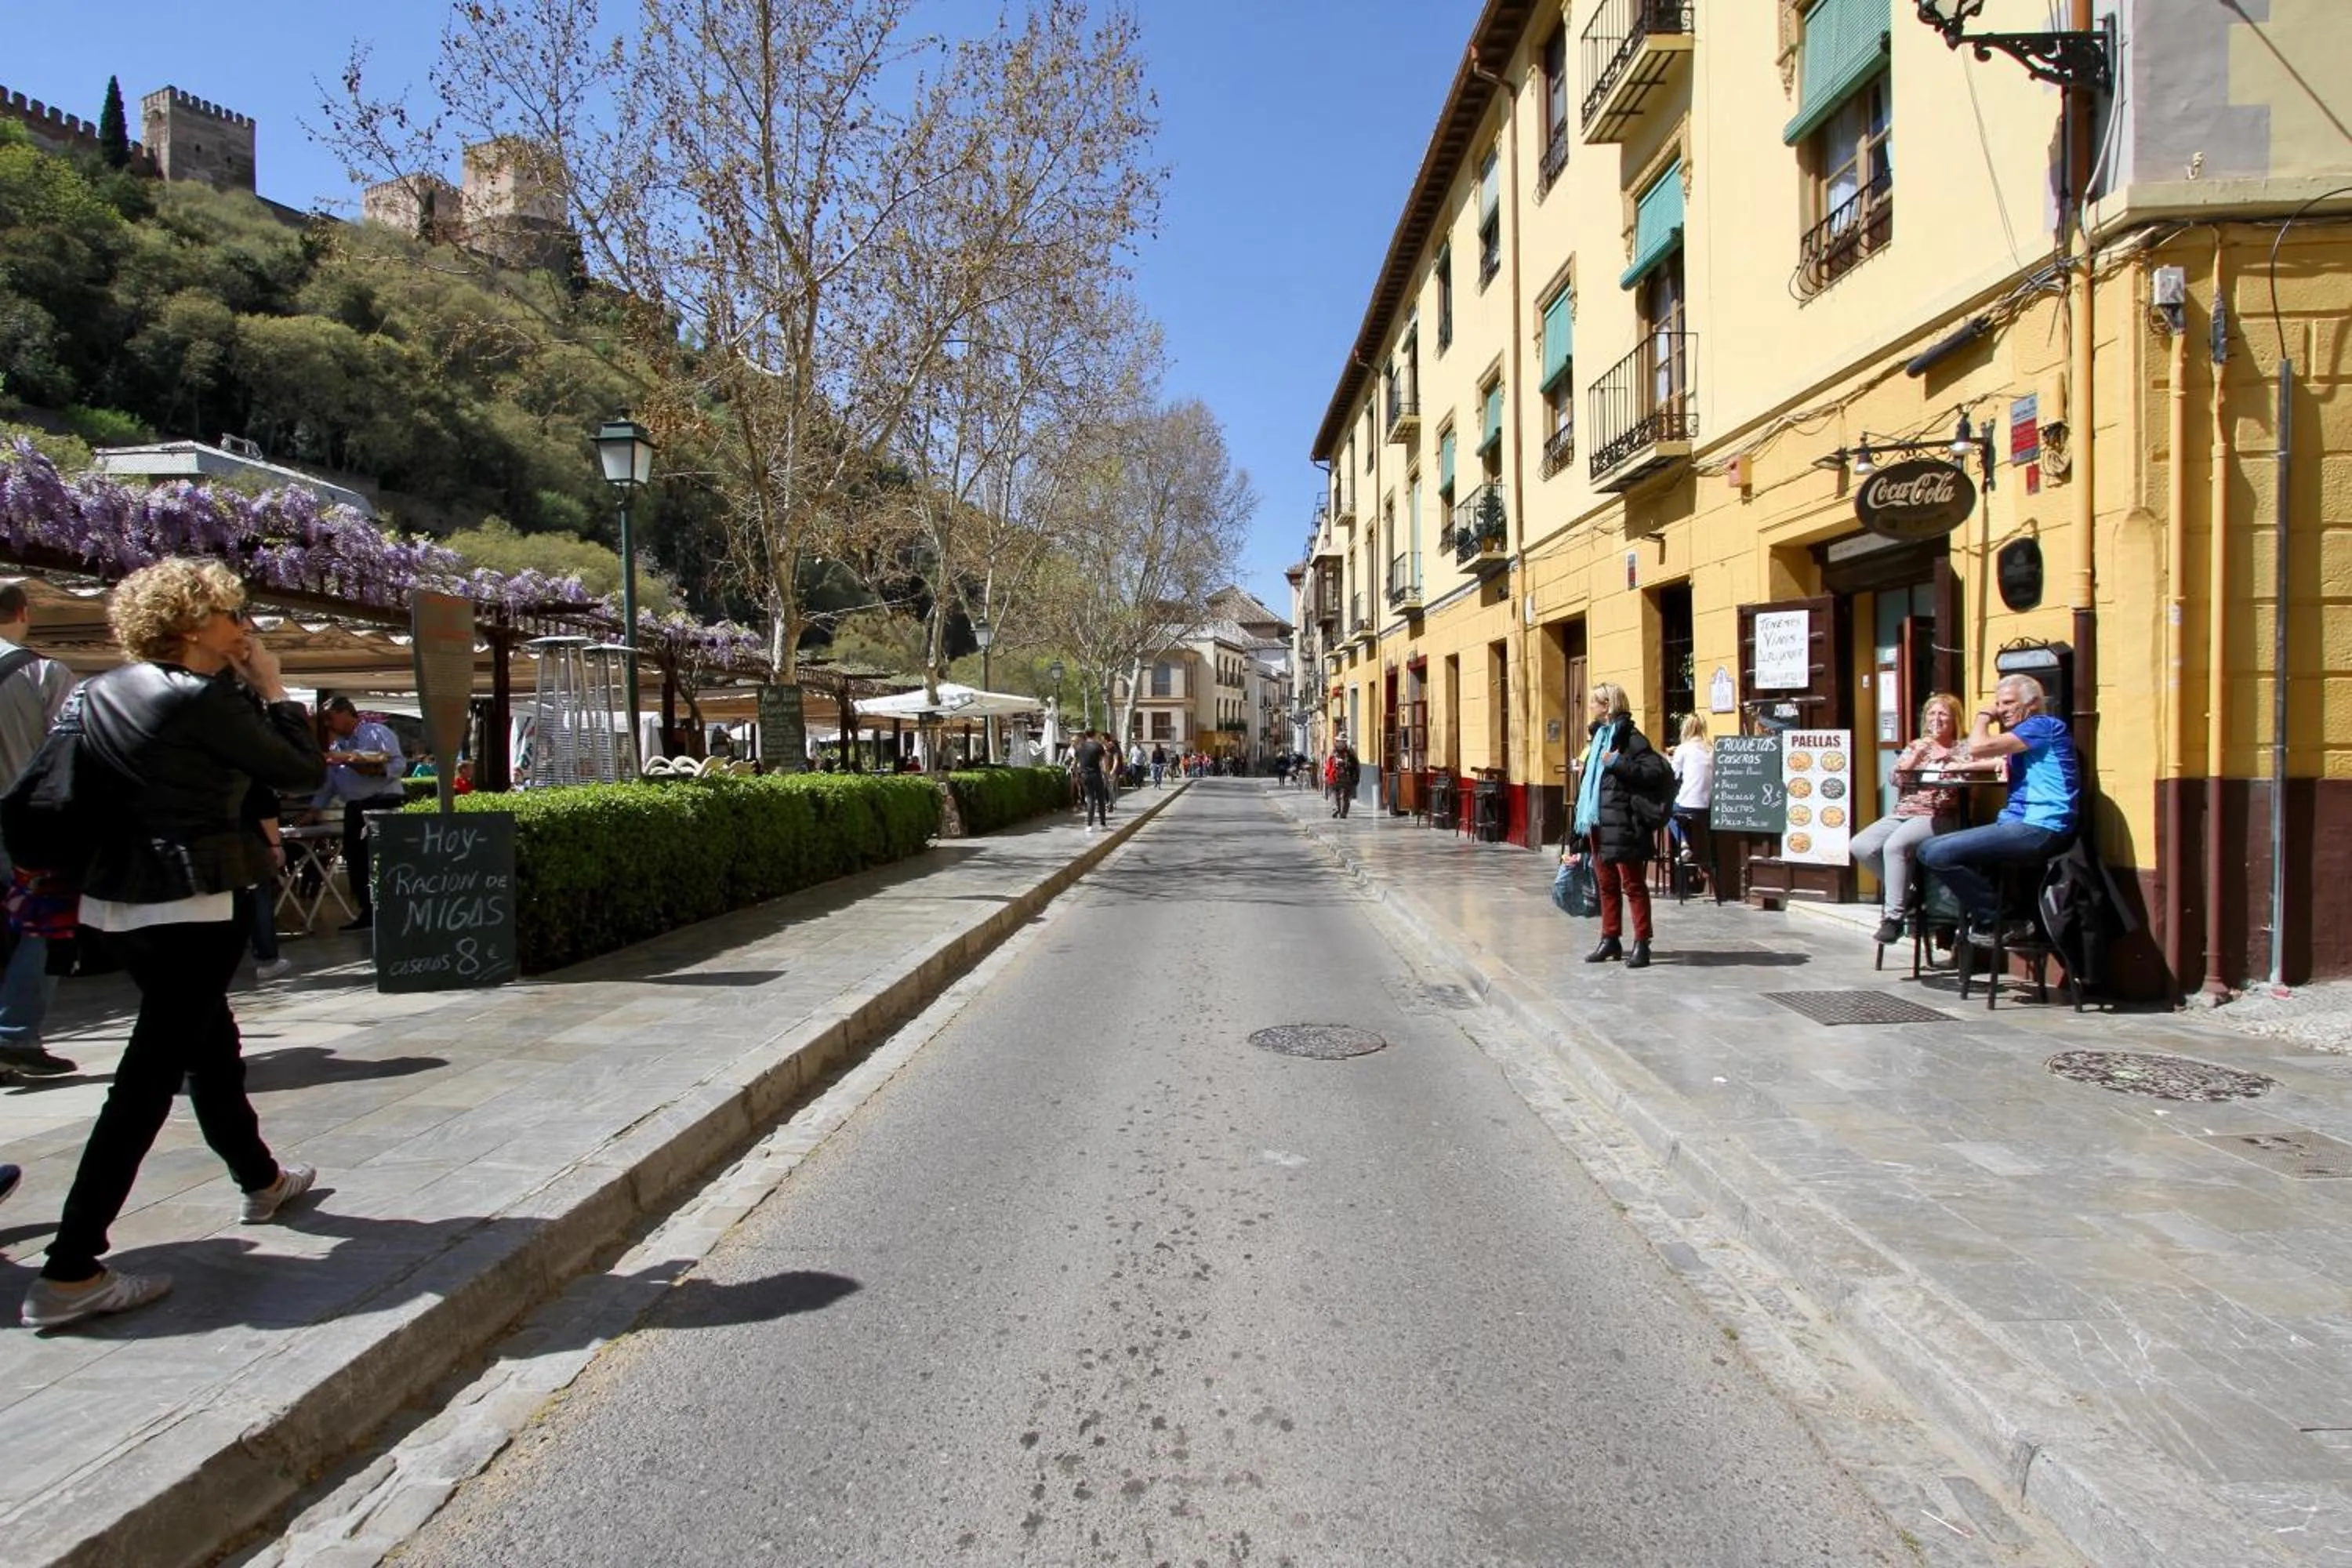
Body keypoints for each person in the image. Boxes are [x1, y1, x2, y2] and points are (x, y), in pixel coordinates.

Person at [22, 559, 326, 1330]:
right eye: (232, 615)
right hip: (191, 896)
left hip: (113, 899)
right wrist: (276, 687)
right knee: (149, 1075)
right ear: (192, 624)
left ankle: (261, 1179)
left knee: (206, 1040)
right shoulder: (203, 697)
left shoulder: (96, 690)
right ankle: (70, 1268)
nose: (244, 627)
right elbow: (299, 770)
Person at [1916, 673, 2082, 942]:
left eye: (2007, 703)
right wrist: (1960, 767)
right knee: (1927, 848)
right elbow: (1994, 761)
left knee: (1939, 854)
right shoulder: (2024, 736)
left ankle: (2000, 919)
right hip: (2019, 822)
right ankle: (1992, 915)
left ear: (2033, 703)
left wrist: (1984, 715)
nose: (2001, 710)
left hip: (2041, 827)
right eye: (1998, 704)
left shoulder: (2041, 725)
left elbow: (1978, 747)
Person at [0, 582, 80, 1080]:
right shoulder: (43, 670)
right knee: (40, 924)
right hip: (21, 820)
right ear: (23, 613)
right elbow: (68, 750)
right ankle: (16, 1034)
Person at [1567, 682, 1674, 969]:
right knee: (1606, 884)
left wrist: (1617, 763)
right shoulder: (1598, 737)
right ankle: (1610, 939)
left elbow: (1655, 771)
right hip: (1598, 822)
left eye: (1595, 702)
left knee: (1633, 884)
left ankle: (1642, 943)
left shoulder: (1630, 738)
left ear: (1607, 706)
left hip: (1624, 823)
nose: (1590, 706)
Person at [1851, 693, 1971, 946]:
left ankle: (1893, 919)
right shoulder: (1917, 746)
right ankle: (1909, 892)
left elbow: (1966, 781)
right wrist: (1917, 754)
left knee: (1896, 846)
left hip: (1939, 814)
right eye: (1931, 714)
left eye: (1943, 714)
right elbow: (1896, 779)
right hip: (1904, 812)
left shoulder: (1963, 748)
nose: (1936, 719)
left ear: (1955, 719)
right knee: (1861, 845)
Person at [306, 695, 406, 931]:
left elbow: (397, 763)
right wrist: (314, 808)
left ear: (346, 713)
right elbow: (329, 783)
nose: (329, 724)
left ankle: (391, 910)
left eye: (331, 718)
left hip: (382, 802)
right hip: (356, 807)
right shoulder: (337, 747)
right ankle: (367, 911)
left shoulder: (374, 732)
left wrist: (376, 770)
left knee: (382, 861)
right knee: (357, 862)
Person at [239, 775, 292, 982]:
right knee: (259, 898)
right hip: (252, 843)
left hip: (222, 843)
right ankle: (267, 958)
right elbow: (266, 813)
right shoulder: (255, 780)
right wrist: (276, 845)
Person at [1668, 713, 1713, 893]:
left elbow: (1673, 774)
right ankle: (1686, 847)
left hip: (1686, 804)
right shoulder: (1711, 748)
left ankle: (1684, 844)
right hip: (1706, 807)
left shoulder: (1684, 749)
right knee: (1683, 818)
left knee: (1667, 812)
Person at [1073, 729, 1111, 830]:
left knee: (1090, 800)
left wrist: (1076, 776)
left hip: (1085, 775)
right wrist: (1107, 775)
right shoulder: (1098, 746)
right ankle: (1102, 824)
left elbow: (1075, 764)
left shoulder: (1080, 747)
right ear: (1094, 735)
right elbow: (1104, 762)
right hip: (1096, 775)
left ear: (1086, 735)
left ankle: (1089, 825)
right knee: (1101, 799)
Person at [1330, 739, 1360, 818]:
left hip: (1335, 776)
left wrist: (1327, 776)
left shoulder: (1333, 752)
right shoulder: (1350, 752)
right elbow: (1356, 765)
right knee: (1345, 796)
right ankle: (1343, 813)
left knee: (1335, 793)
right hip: (1347, 776)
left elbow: (1328, 764)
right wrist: (1356, 777)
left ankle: (1336, 808)